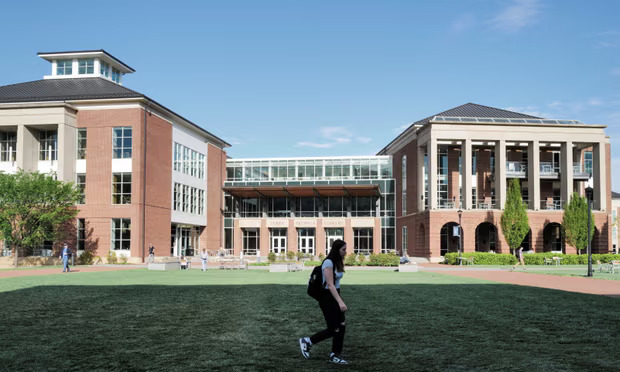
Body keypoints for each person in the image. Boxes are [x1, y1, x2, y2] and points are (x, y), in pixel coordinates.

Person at [299, 239, 349, 365]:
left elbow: (336, 285)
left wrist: (339, 299)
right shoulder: (328, 262)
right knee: (333, 328)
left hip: (335, 294)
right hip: (327, 297)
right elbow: (330, 285)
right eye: (343, 249)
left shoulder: (338, 261)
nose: (345, 252)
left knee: (342, 325)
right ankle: (308, 341)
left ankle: (335, 354)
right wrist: (340, 302)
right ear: (336, 249)